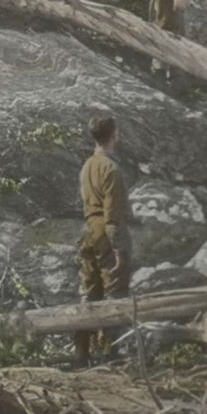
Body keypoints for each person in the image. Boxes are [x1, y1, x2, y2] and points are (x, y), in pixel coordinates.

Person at [76, 114, 131, 366]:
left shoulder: (87, 165)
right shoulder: (111, 169)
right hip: (105, 232)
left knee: (89, 292)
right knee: (115, 292)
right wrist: (119, 249)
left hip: (87, 229)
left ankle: (82, 353)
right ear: (114, 135)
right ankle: (110, 354)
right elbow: (112, 217)